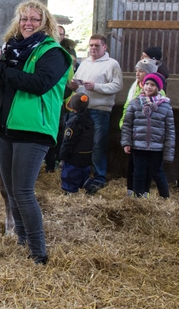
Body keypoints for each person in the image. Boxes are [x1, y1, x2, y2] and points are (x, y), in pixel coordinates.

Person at [0, 0, 71, 265]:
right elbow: (8, 81)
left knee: (22, 191)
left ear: (45, 23)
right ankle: (22, 243)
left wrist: (0, 71)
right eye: (24, 19)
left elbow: (39, 84)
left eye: (34, 19)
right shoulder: (12, 50)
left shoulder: (53, 52)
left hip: (34, 129)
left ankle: (38, 253)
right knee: (10, 190)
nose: (28, 24)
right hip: (8, 127)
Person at [69, 34, 123, 194]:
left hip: (99, 109)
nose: (93, 48)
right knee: (80, 143)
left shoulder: (111, 64)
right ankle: (81, 174)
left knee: (98, 144)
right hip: (82, 110)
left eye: (96, 46)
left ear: (104, 47)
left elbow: (117, 85)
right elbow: (78, 81)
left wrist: (96, 87)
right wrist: (74, 85)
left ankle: (99, 177)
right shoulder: (84, 63)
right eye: (91, 45)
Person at [121, 73, 175, 199]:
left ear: (159, 88)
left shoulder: (165, 106)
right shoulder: (135, 103)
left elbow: (170, 130)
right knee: (138, 173)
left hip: (156, 147)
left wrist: (168, 152)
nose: (148, 87)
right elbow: (127, 124)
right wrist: (126, 142)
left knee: (157, 172)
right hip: (138, 145)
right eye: (146, 84)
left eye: (153, 85)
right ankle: (139, 199)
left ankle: (165, 198)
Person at [119, 58, 160, 195]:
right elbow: (127, 107)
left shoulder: (156, 93)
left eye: (141, 71)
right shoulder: (134, 87)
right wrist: (124, 124)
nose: (137, 73)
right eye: (136, 70)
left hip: (145, 135)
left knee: (144, 167)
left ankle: (143, 192)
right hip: (132, 131)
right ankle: (131, 190)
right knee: (132, 164)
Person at [59, 93, 95, 194]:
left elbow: (68, 140)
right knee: (83, 173)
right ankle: (89, 184)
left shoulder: (73, 121)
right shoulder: (90, 119)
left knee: (70, 175)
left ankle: (69, 192)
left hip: (73, 156)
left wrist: (63, 156)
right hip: (86, 154)